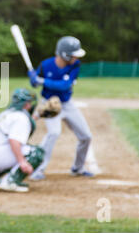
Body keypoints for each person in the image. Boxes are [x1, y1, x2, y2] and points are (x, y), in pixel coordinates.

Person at [28, 36, 93, 181]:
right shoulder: (45, 65)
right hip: (49, 103)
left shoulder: (75, 66)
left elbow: (65, 85)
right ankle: (38, 169)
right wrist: (33, 79)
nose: (76, 57)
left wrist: (41, 81)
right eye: (74, 54)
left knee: (86, 136)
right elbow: (35, 83)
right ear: (65, 54)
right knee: (53, 133)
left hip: (66, 104)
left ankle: (78, 168)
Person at [0, 88, 47, 193]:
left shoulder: (7, 113)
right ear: (26, 105)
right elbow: (14, 140)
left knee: (20, 150)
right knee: (35, 153)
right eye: (30, 103)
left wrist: (38, 116)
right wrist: (22, 162)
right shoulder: (21, 117)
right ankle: (10, 181)